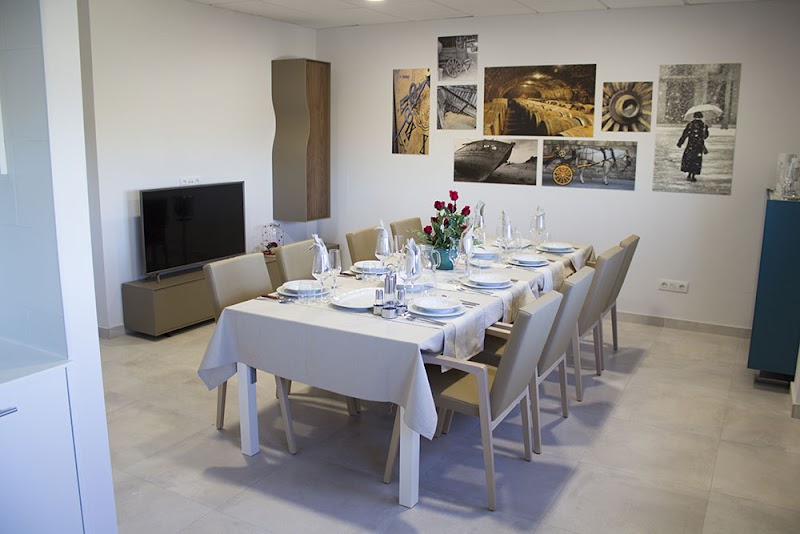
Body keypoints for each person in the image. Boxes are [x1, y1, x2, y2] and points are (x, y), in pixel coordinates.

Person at [677, 111, 709, 182]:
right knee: (696, 160)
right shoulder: (703, 126)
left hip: (690, 145)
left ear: (694, 117)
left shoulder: (690, 125)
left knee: (689, 159)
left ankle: (689, 173)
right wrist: (703, 132)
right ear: (701, 117)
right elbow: (705, 136)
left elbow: (685, 134)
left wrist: (680, 142)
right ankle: (693, 175)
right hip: (699, 146)